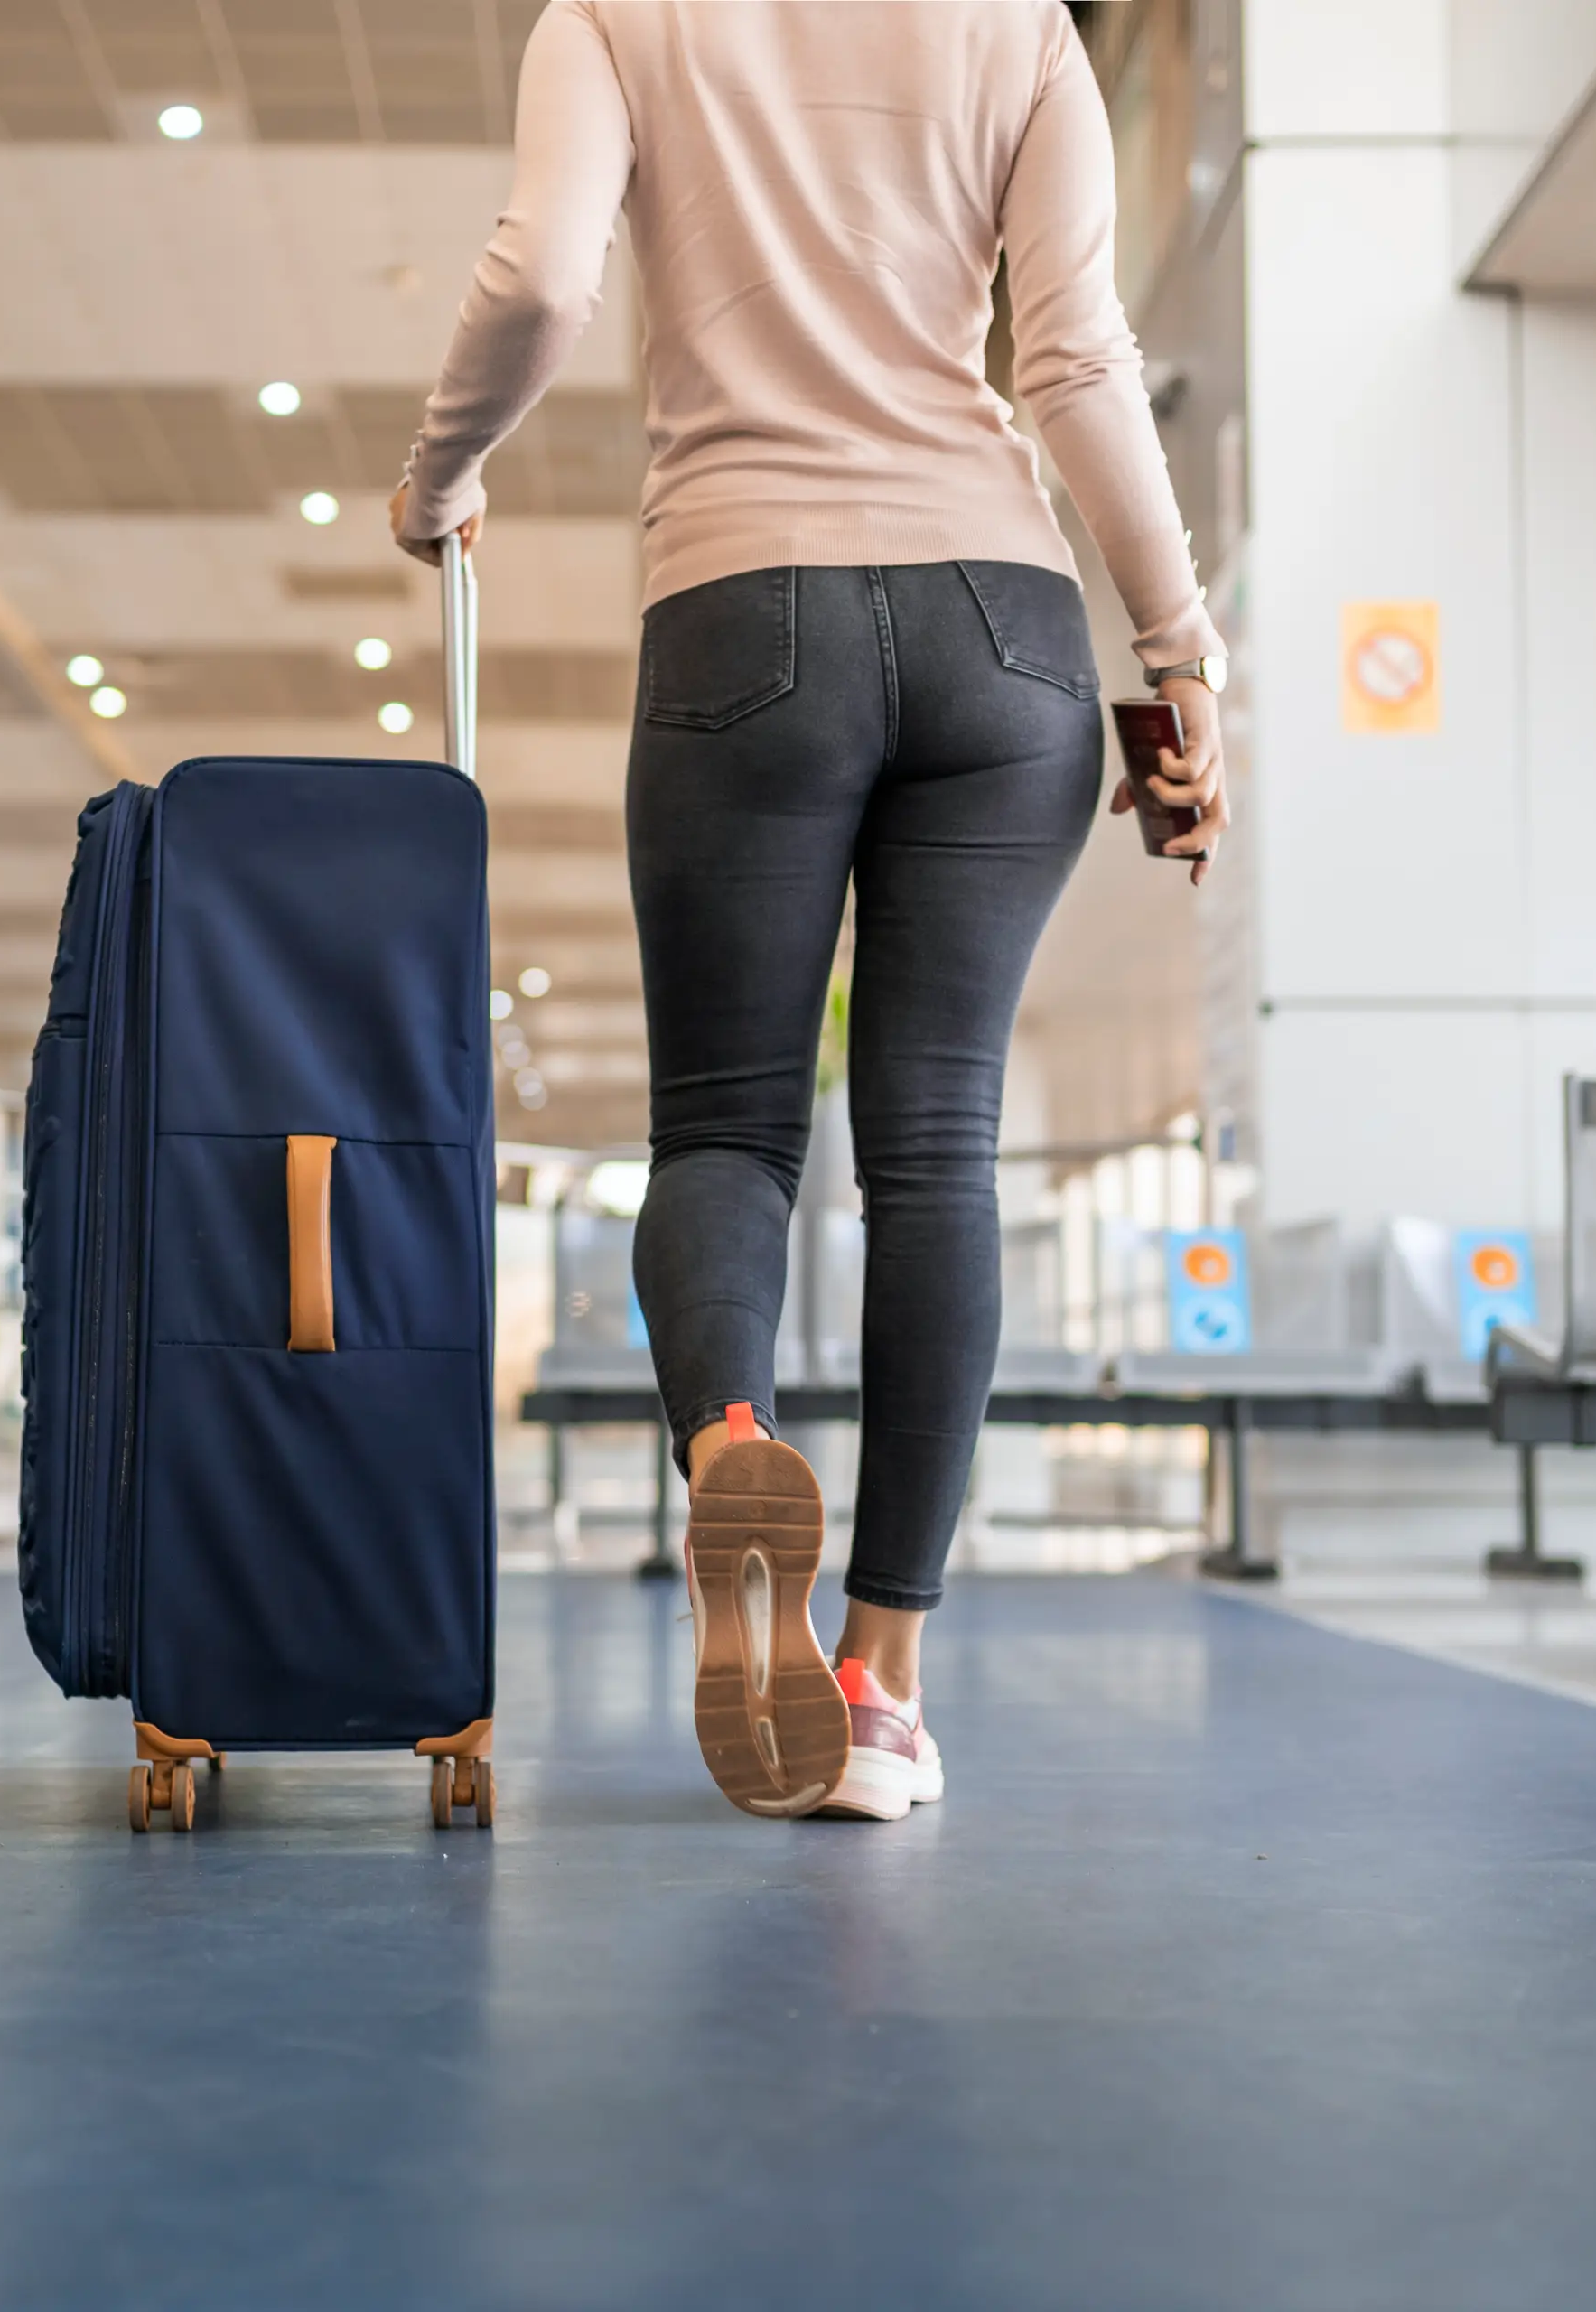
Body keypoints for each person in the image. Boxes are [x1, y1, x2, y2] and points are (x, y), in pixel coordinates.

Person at [391, 1, 1226, 1823]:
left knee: (724, 1132)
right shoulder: (1023, 30)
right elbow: (1076, 358)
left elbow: (539, 283)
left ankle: (733, 1442)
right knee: (937, 1151)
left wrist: (441, 474)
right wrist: (1177, 647)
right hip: (1004, 623)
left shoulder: (609, 16)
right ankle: (882, 1682)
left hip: (740, 603)